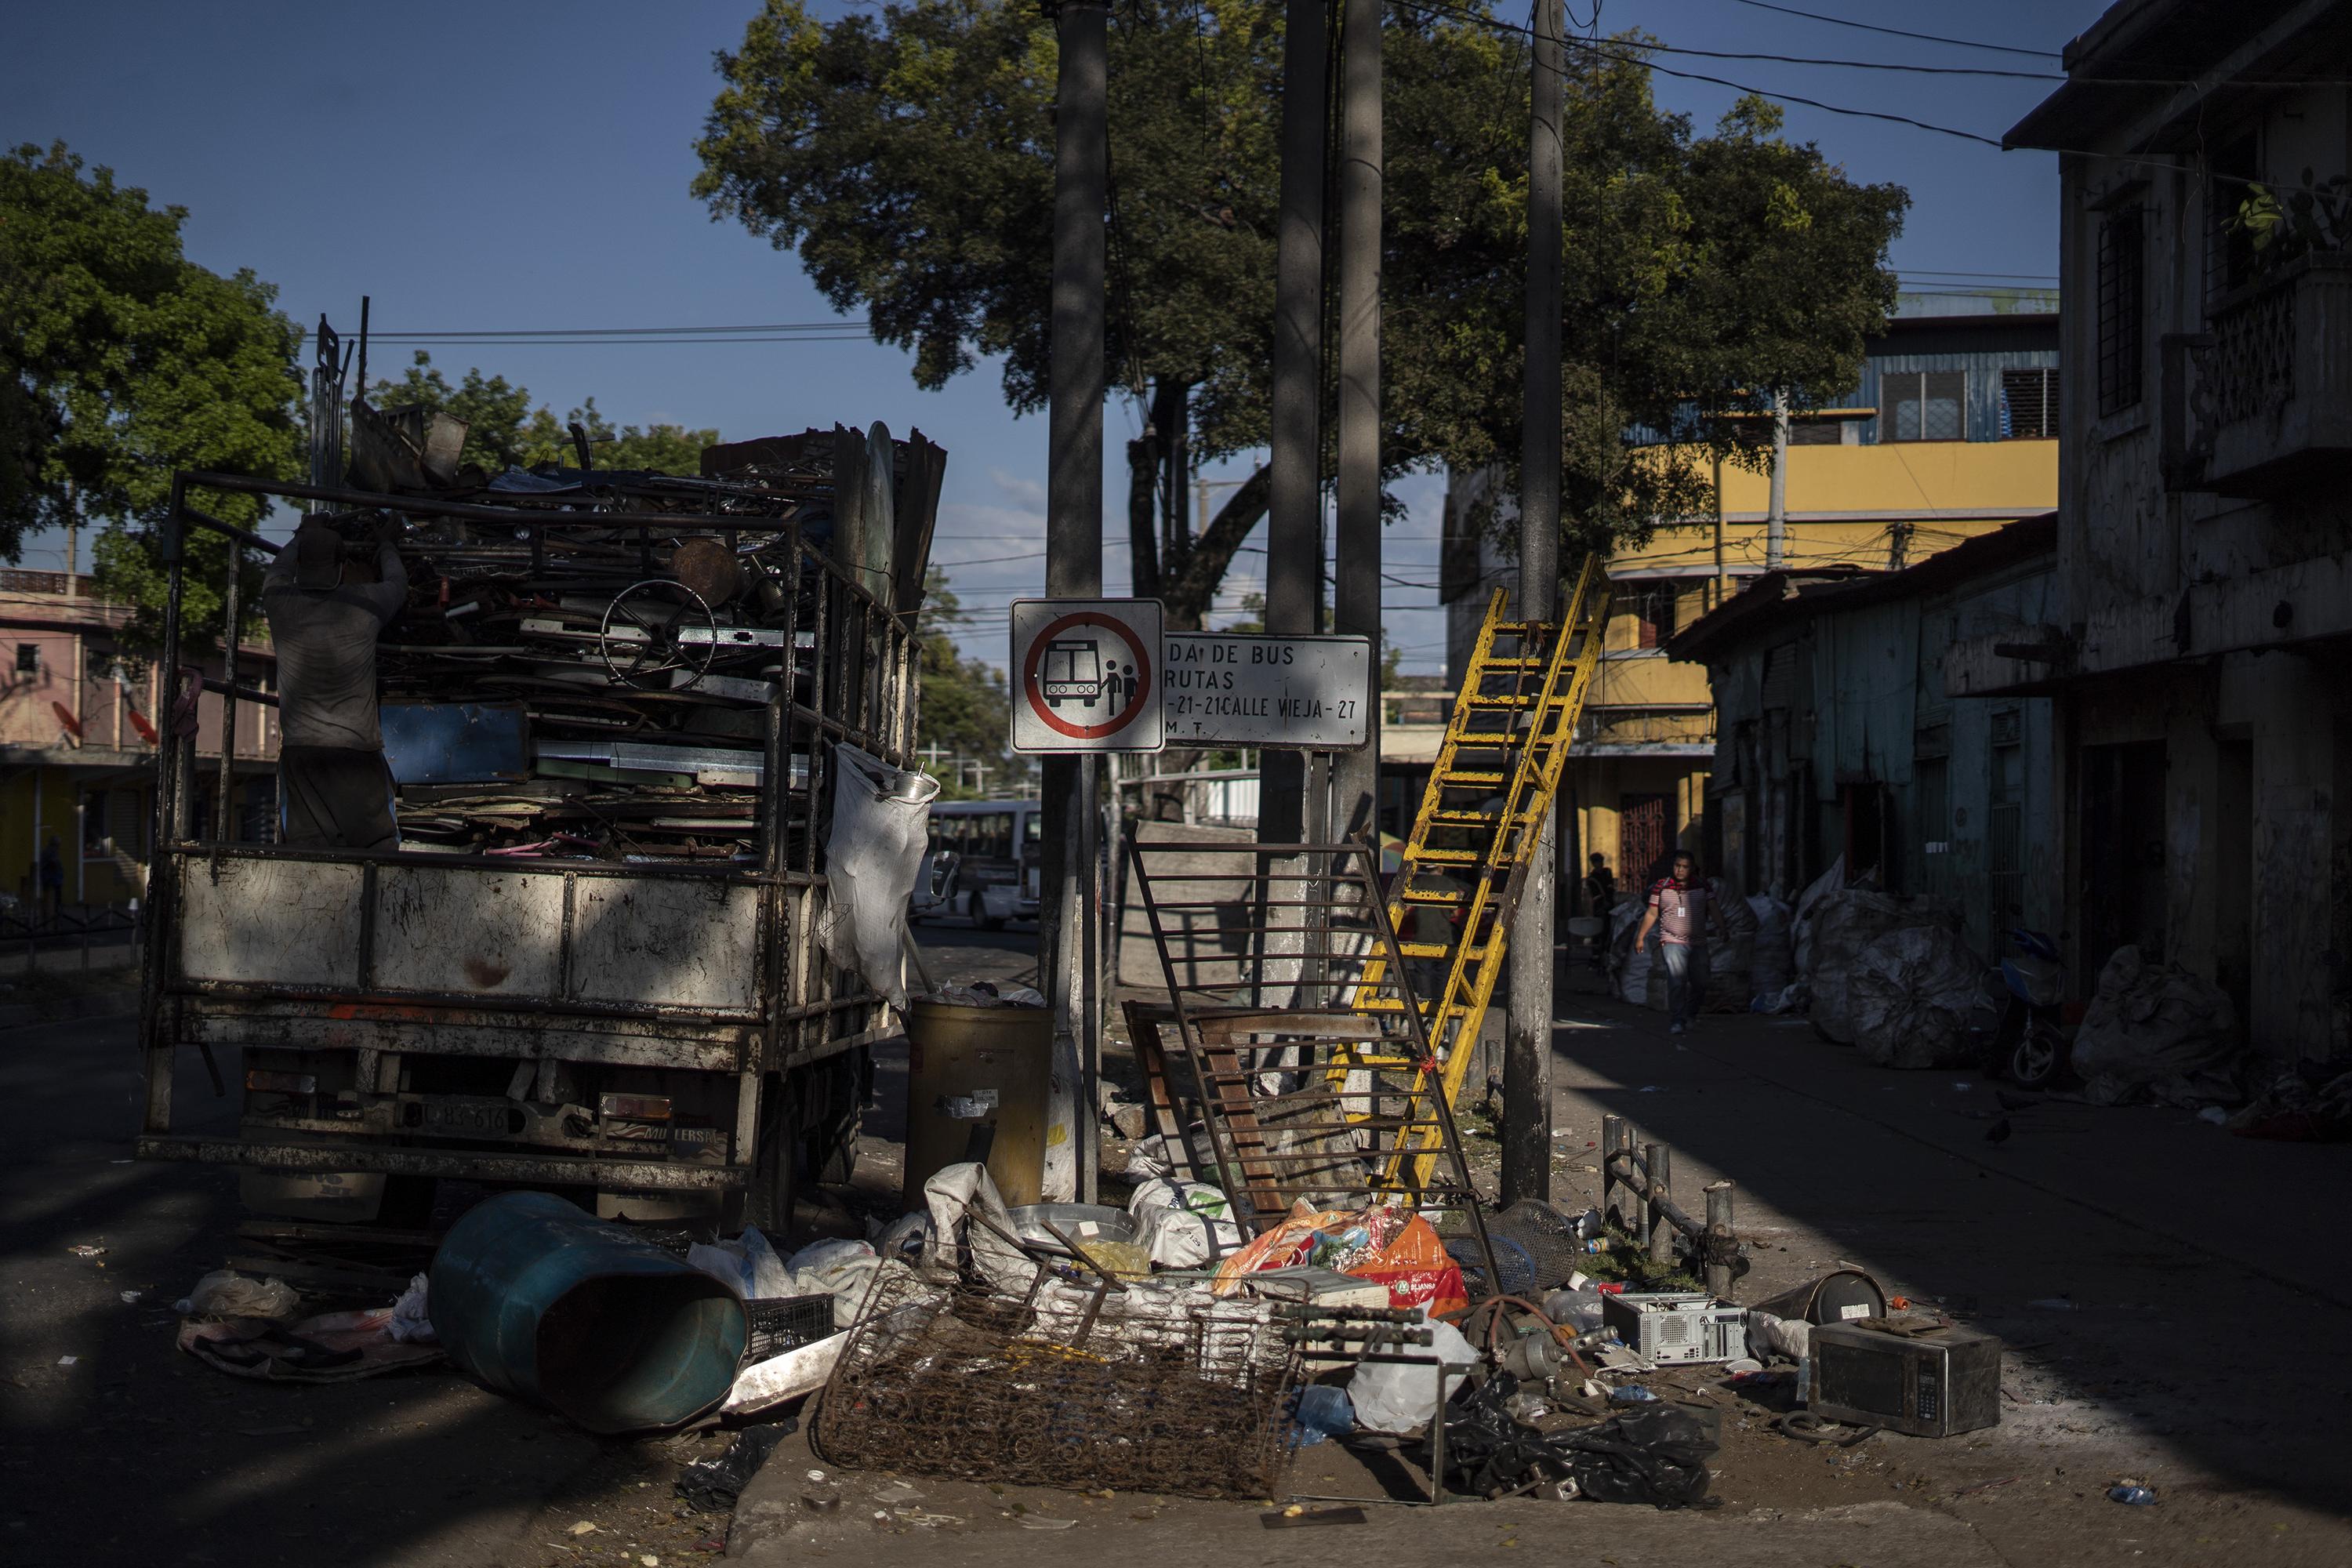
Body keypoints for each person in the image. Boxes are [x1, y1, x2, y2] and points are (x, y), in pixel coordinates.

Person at [262, 514, 408, 850]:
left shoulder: (280, 603)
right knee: (378, 849)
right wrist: (387, 545)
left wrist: (302, 535)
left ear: (301, 565)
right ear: (342, 567)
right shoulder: (364, 605)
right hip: (356, 754)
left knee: (307, 852)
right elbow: (399, 583)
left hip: (302, 755)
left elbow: (277, 570)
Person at [1631, 849, 1726, 1035]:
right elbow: (1651, 913)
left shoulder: (1702, 886)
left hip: (1697, 942)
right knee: (1677, 981)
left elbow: (1713, 908)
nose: (1680, 870)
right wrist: (1640, 937)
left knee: (1701, 982)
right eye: (1677, 866)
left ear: (1692, 869)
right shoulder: (1661, 887)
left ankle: (1690, 1014)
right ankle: (1678, 1020)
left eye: (1685, 867)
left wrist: (1723, 928)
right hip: (1671, 940)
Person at [1583, 851, 1617, 969]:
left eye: (1601, 862)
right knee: (1598, 932)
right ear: (1594, 863)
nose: (1600, 864)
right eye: (1598, 862)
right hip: (1600, 907)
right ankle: (1597, 956)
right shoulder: (1592, 878)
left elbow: (1610, 887)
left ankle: (1606, 955)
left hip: (1609, 905)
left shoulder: (1607, 872)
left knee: (1608, 932)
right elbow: (1595, 894)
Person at [38, 834, 64, 924]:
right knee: (54, 897)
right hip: (51, 879)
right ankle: (53, 915)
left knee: (49, 897)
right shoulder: (51, 852)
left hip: (50, 878)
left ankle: (49, 914)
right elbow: (54, 863)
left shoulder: (48, 851)